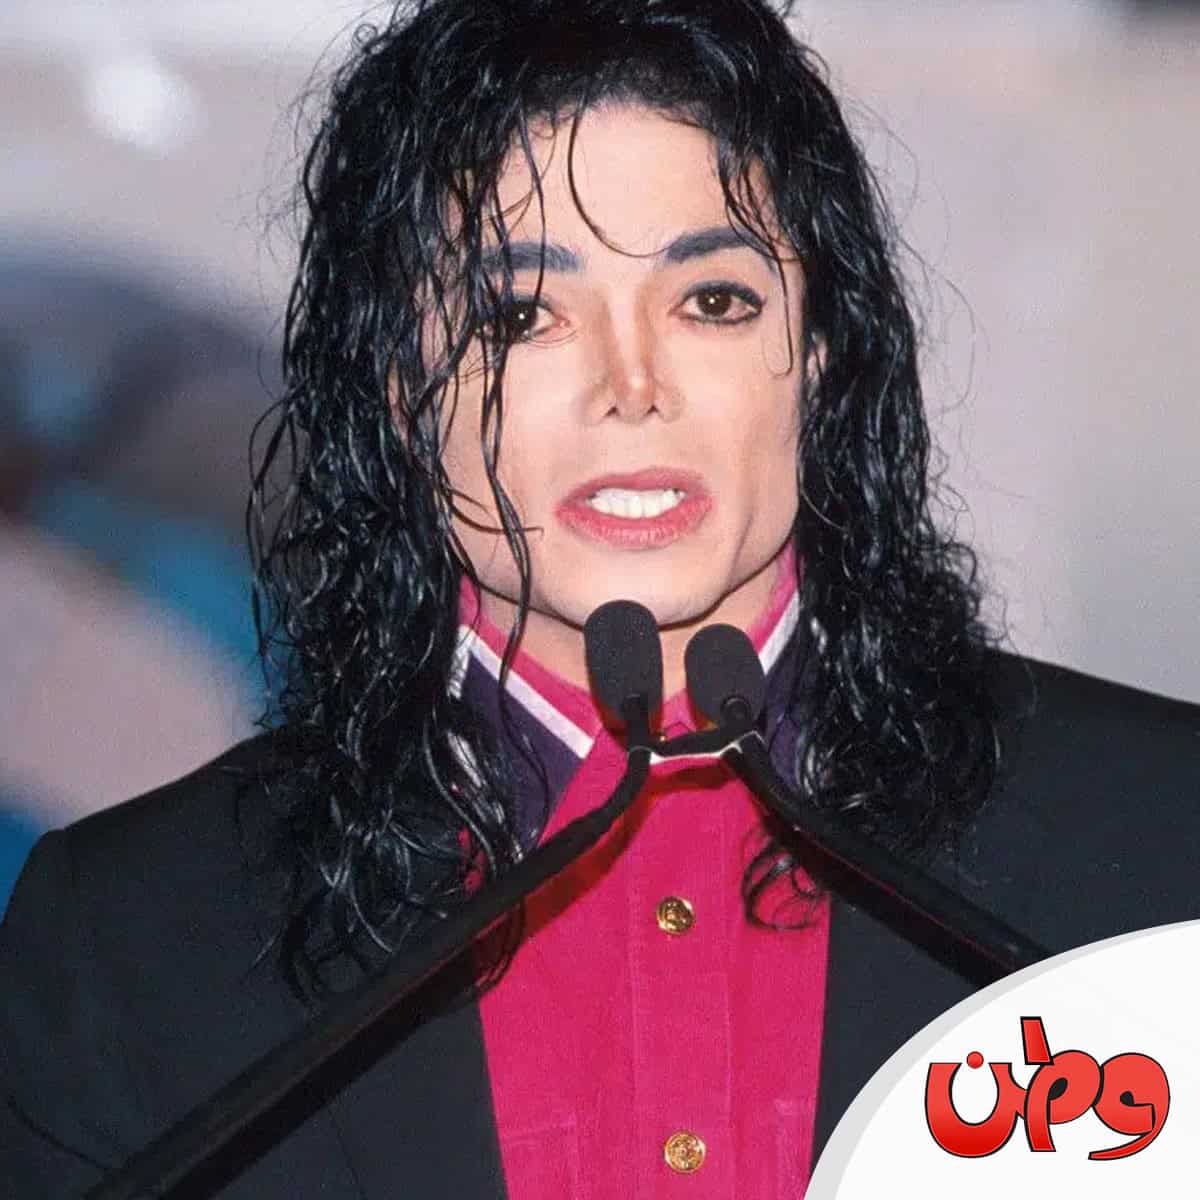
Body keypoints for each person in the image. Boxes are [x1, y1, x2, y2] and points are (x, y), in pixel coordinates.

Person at [2, 1, 1197, 1196]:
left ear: (820, 352)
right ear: (398, 386)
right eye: (522, 315)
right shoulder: (125, 942)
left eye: (712, 301)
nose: (632, 386)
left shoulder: (1161, 838)